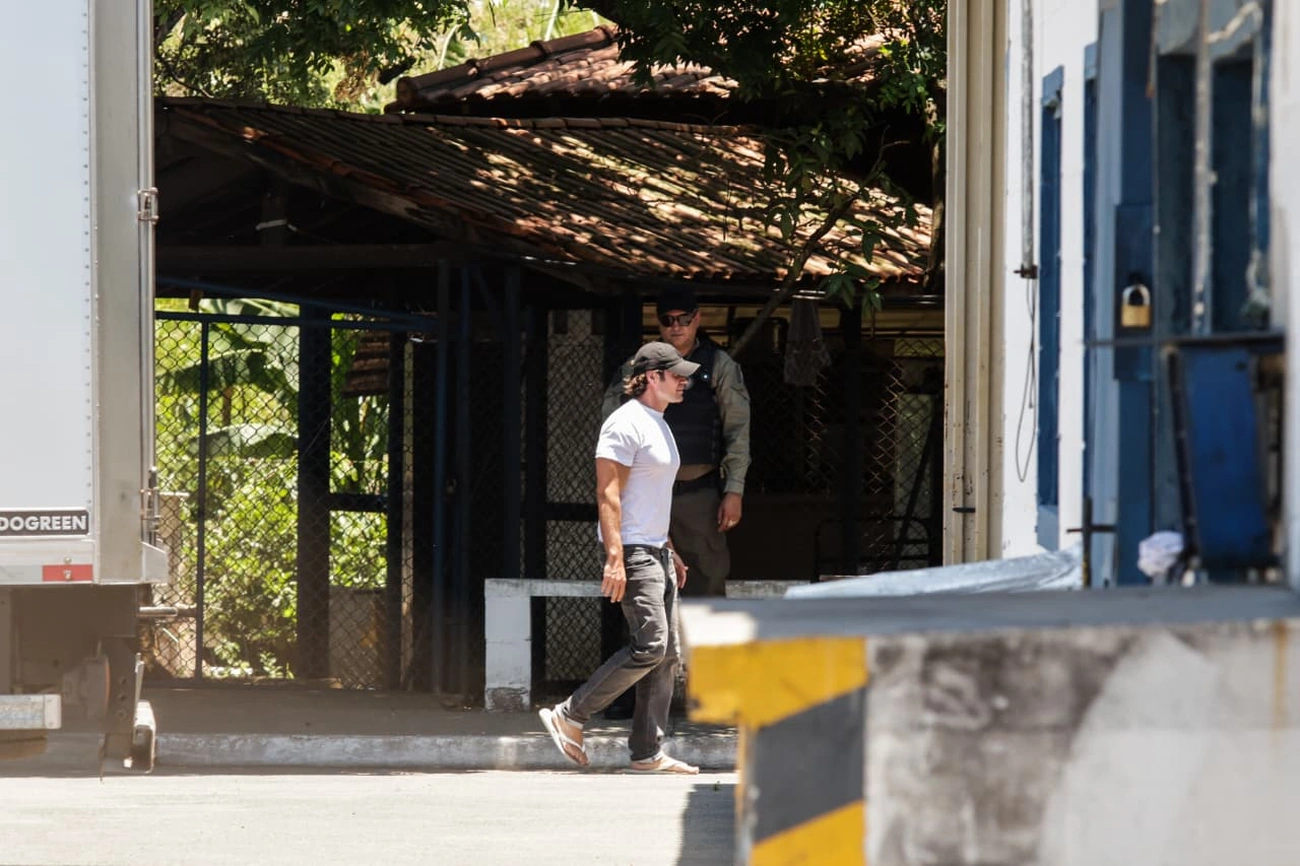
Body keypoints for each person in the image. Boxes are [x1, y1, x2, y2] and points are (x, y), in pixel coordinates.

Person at [539, 342, 701, 774]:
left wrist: (670, 548)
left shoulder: (659, 423)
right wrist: (615, 557)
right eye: (676, 374)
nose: (684, 381)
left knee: (666, 655)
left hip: (655, 550)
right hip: (631, 550)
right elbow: (608, 493)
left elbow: (648, 496)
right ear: (652, 377)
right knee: (650, 645)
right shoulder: (624, 424)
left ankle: (647, 752)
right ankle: (570, 714)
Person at [602, 286, 751, 598]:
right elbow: (613, 424)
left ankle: (703, 648)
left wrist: (734, 489)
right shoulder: (639, 367)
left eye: (683, 319)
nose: (676, 327)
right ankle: (649, 647)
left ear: (697, 319)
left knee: (707, 582)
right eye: (667, 320)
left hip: (696, 494)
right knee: (643, 584)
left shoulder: (718, 365)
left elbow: (737, 429)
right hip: (646, 494)